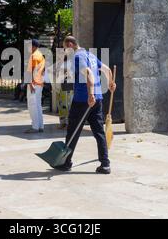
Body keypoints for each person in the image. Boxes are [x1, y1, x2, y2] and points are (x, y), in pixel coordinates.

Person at [55, 36, 116, 174]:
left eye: (65, 49)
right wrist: (111, 83)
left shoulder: (77, 57)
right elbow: (108, 70)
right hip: (98, 99)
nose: (65, 52)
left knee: (72, 131)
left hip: (83, 100)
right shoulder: (91, 55)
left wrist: (90, 94)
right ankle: (105, 164)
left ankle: (66, 162)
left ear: (70, 45)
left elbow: (88, 73)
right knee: (99, 132)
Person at [25, 39, 45, 133]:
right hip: (39, 83)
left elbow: (32, 71)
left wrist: (30, 84)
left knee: (32, 105)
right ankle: (40, 126)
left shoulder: (34, 56)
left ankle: (35, 127)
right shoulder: (40, 55)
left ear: (34, 46)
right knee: (38, 105)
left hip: (34, 84)